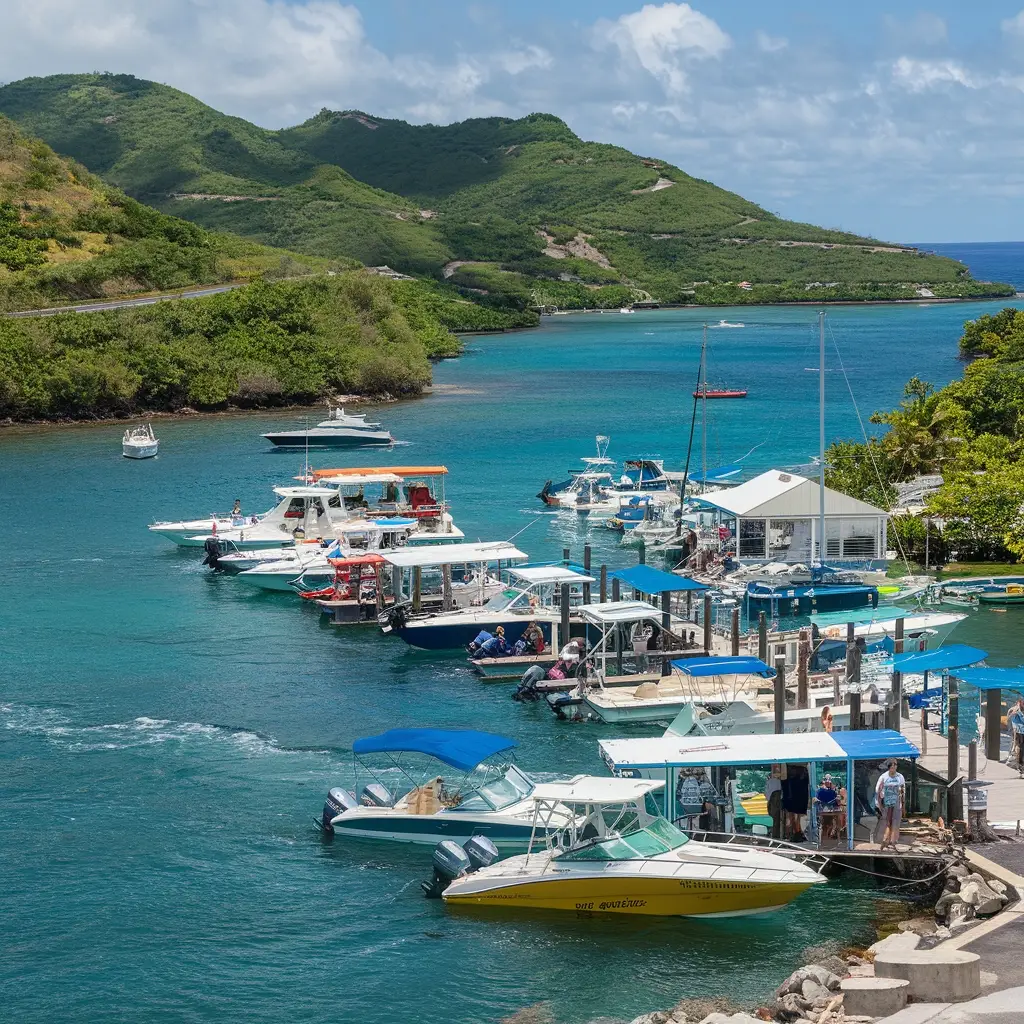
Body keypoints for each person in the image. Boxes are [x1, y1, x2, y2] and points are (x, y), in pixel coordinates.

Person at [875, 760, 906, 851]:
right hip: (887, 803)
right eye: (891, 766)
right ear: (888, 767)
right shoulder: (884, 777)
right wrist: (880, 800)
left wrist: (903, 804)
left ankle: (893, 841)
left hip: (897, 802)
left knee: (896, 822)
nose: (893, 767)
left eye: (895, 765)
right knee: (887, 822)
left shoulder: (900, 777)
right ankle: (885, 839)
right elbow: (877, 789)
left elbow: (903, 790)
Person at [814, 774, 840, 840]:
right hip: (826, 812)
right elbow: (836, 803)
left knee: (825, 825)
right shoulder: (827, 792)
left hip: (825, 812)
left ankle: (824, 839)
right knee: (827, 825)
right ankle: (825, 838)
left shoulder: (820, 791)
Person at [765, 766, 783, 840]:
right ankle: (778, 835)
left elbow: (766, 794)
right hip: (779, 803)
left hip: (772, 803)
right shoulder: (781, 782)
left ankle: (775, 835)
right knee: (779, 820)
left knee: (773, 820)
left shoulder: (769, 782)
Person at [1009, 698, 1024, 777]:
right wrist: (1018, 713)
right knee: (1020, 750)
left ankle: (1020, 767)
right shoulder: (1015, 711)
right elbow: (1012, 719)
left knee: (1020, 750)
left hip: (1019, 732)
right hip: (1019, 733)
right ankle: (1021, 768)